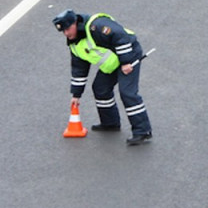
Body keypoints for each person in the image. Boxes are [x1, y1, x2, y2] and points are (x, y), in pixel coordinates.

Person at [54, 10, 153, 145]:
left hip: (129, 55)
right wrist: (76, 95)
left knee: (127, 92)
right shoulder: (75, 44)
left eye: (68, 29)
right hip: (113, 63)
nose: (66, 34)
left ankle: (143, 131)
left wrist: (125, 62)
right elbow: (79, 70)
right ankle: (110, 123)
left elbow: (121, 36)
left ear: (75, 23)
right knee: (100, 88)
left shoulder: (97, 26)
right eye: (63, 31)